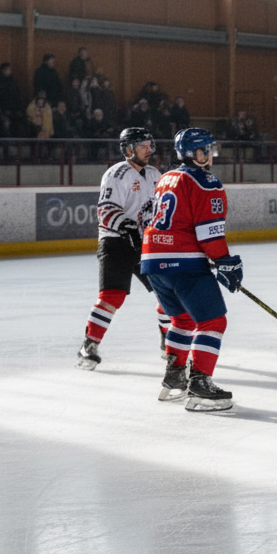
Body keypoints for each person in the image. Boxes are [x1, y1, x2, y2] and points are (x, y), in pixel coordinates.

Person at [140, 128, 243, 411]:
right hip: (183, 262)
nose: (210, 155)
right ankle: (199, 384)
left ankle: (173, 380)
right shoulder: (206, 182)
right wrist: (225, 261)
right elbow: (209, 235)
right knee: (213, 322)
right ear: (196, 154)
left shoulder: (166, 178)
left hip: (152, 261)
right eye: (206, 150)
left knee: (183, 321)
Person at [76, 128, 170, 371]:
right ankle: (89, 344)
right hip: (116, 242)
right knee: (112, 296)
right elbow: (105, 210)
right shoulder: (117, 174)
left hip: (145, 243)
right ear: (129, 149)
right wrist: (128, 229)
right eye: (144, 145)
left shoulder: (154, 174)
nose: (150, 150)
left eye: (151, 145)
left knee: (167, 292)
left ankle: (169, 344)